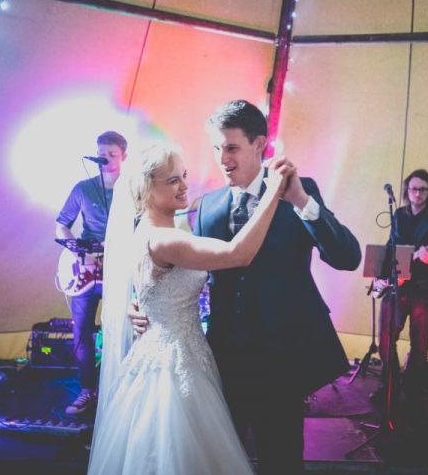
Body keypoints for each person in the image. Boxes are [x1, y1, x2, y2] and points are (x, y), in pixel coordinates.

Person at [133, 100, 362, 475]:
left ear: (260, 144)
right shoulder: (207, 205)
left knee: (282, 460)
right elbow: (174, 265)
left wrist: (301, 200)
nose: (222, 159)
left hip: (283, 358)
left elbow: (347, 257)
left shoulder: (297, 191)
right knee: (222, 459)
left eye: (231, 147)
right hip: (221, 361)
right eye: (215, 148)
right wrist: (142, 303)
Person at [87, 141, 291, 474]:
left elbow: (152, 287)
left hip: (169, 350)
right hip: (173, 363)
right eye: (172, 181)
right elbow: (238, 254)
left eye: (183, 176)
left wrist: (141, 304)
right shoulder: (164, 239)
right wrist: (273, 192)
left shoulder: (155, 233)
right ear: (147, 188)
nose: (184, 186)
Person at [55, 130, 128, 414]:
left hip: (119, 267)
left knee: (118, 330)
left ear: (124, 156)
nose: (105, 159)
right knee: (81, 331)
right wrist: (73, 248)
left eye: (112, 154)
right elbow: (61, 223)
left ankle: (115, 391)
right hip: (85, 267)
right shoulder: (82, 188)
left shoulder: (133, 188)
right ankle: (87, 389)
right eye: (102, 153)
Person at [375, 169, 428, 399]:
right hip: (396, 285)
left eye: (423, 189)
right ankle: (389, 387)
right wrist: (380, 274)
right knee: (386, 337)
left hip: (422, 287)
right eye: (414, 188)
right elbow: (391, 245)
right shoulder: (398, 214)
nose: (418, 193)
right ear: (407, 190)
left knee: (419, 341)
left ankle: (413, 390)